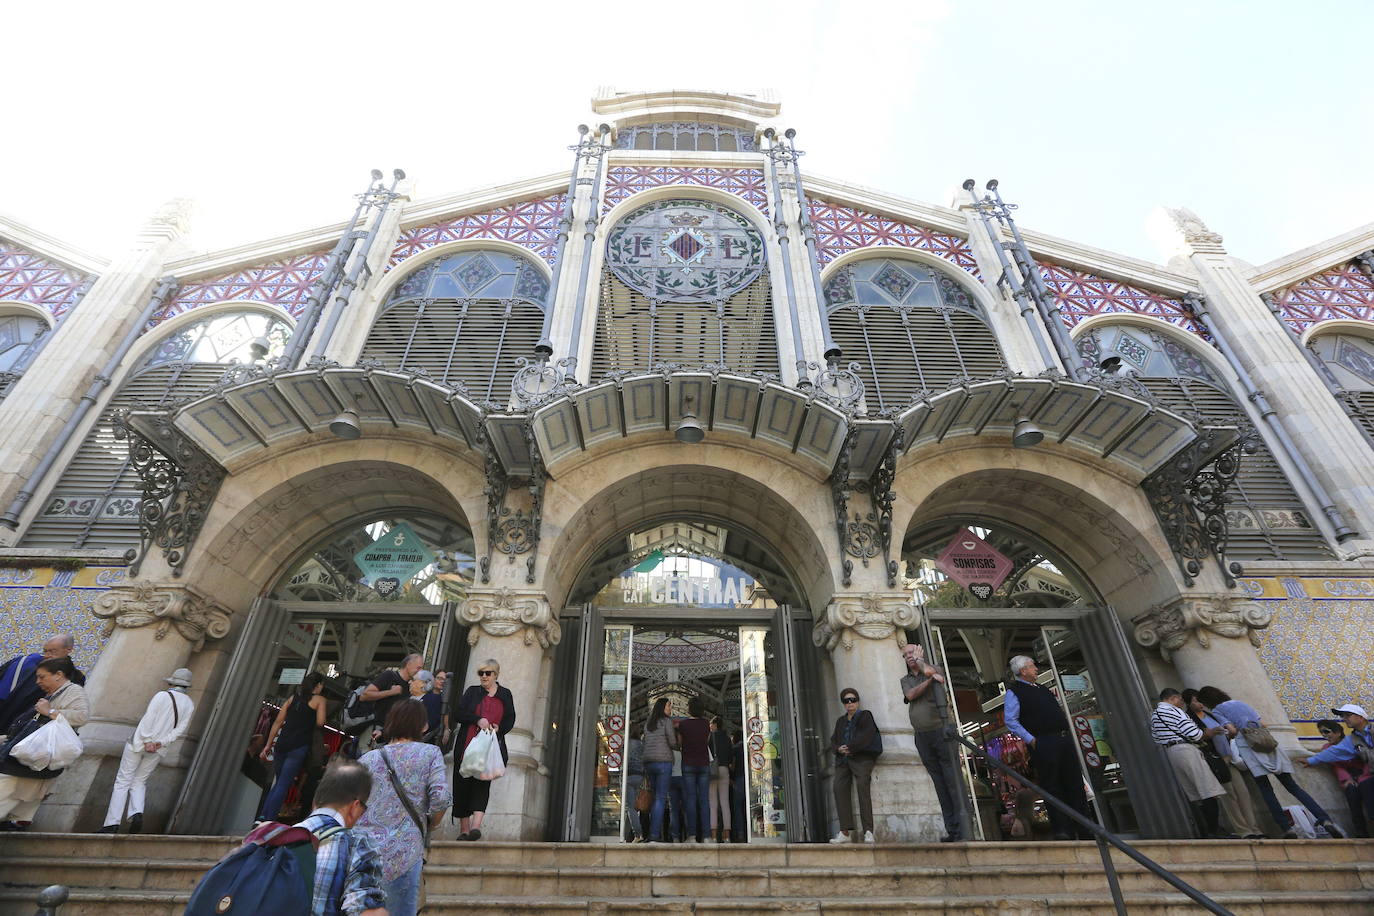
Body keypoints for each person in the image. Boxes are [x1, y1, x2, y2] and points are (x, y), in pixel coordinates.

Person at [1198, 685, 1343, 838]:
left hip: (1250, 746)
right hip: (1268, 743)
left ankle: (1287, 828)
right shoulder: (1241, 704)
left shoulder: (1217, 710)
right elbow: (1262, 724)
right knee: (1292, 786)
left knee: (1266, 789)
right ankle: (1325, 820)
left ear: (1208, 701)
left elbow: (1232, 730)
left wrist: (1225, 734)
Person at [356, 699, 450, 916]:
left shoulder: (368, 759)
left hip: (365, 851)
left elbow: (354, 803)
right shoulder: (430, 753)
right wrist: (432, 823)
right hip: (405, 852)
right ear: (423, 725)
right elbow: (441, 797)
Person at [98, 667, 195, 834]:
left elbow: (148, 719)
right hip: (159, 749)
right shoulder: (189, 704)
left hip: (139, 743)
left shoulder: (162, 695)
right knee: (140, 781)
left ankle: (112, 823)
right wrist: (160, 743)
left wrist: (148, 740)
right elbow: (180, 730)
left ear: (172, 682)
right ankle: (136, 813)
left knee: (123, 781)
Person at [1004, 655, 1091, 840]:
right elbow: (1011, 720)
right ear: (1023, 671)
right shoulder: (1015, 692)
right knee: (1053, 786)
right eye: (1031, 666)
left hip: (1063, 740)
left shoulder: (1043, 689)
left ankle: (1084, 827)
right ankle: (1062, 829)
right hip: (1044, 742)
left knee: (1074, 783)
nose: (1036, 668)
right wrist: (1031, 740)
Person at [0, 657, 90, 830]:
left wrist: (51, 711)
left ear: (58, 675)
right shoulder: (54, 693)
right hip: (25, 759)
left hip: (31, 762)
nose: (37, 682)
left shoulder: (73, 691)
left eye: (42, 677)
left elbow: (81, 716)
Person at [294, 760, 388, 916]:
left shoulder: (270, 836)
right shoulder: (356, 844)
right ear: (355, 807)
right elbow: (366, 912)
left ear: (314, 802)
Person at [900, 642, 963, 842]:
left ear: (920, 653)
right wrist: (928, 682)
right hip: (922, 735)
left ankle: (964, 828)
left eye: (912, 652)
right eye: (906, 655)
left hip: (942, 731)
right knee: (939, 784)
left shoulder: (934, 668)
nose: (909, 656)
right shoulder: (906, 679)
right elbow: (910, 695)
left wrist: (922, 663)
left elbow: (931, 672)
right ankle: (952, 829)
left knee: (953, 781)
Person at [1183, 688, 1266, 838]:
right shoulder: (1189, 719)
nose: (1200, 703)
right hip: (1216, 760)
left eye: (1201, 700)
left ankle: (1254, 829)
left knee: (1243, 793)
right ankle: (1244, 831)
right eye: (1196, 701)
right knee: (1229, 796)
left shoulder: (1210, 714)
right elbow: (1196, 738)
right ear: (1188, 703)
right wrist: (1210, 733)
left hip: (1230, 757)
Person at [1151, 688, 1229, 838]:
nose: (1182, 703)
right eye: (1180, 700)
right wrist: (1209, 732)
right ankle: (1214, 830)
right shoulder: (1176, 711)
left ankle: (1204, 830)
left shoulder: (1155, 715)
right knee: (1208, 791)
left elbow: (1156, 737)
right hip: (1186, 750)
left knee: (1194, 795)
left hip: (1171, 753)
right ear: (1173, 698)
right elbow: (1195, 734)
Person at [451, 658, 514, 841]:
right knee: (462, 784)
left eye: (488, 673)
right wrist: (477, 719)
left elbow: (510, 718)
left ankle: (475, 827)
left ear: (496, 675)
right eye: (481, 673)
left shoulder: (505, 694)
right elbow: (459, 713)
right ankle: (464, 829)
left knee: (482, 782)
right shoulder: (472, 692)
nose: (484, 677)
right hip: (467, 745)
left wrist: (498, 728)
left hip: (489, 746)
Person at [258, 672, 327, 823]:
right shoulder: (319, 700)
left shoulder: (292, 699)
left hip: (281, 744)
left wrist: (268, 745)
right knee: (284, 783)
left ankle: (263, 816)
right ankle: (269, 820)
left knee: (278, 782)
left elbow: (277, 722)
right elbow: (321, 722)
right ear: (319, 685)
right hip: (299, 746)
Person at [1300, 702, 1374, 836]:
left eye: (1348, 715)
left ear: (1361, 717)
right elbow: (1333, 753)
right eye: (1344, 716)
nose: (1345, 719)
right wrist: (1311, 760)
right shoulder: (1352, 740)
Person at [0, 634, 84, 739]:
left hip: (34, 732)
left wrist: (50, 711)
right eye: (45, 651)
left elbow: (79, 715)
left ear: (68, 650)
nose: (47, 655)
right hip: (9, 715)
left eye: (52, 651)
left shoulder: (75, 678)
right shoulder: (30, 664)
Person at [829, 688, 879, 844]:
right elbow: (833, 740)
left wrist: (850, 747)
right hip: (843, 761)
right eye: (846, 701)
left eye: (852, 700)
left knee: (863, 790)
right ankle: (845, 832)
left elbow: (867, 735)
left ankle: (869, 831)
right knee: (838, 788)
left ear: (857, 701)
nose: (850, 703)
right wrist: (838, 748)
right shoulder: (841, 721)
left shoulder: (865, 716)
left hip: (861, 759)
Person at [360, 653, 423, 746]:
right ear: (409, 664)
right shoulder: (389, 676)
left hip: (390, 734)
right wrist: (391, 692)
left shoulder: (409, 687)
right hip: (374, 729)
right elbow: (365, 695)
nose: (419, 671)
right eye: (418, 668)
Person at [641, 696, 677, 842]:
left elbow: (645, 742)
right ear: (662, 707)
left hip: (649, 763)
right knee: (661, 799)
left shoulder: (648, 722)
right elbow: (672, 741)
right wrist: (678, 746)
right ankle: (654, 835)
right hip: (663, 763)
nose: (670, 709)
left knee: (655, 798)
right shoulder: (667, 721)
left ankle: (651, 833)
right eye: (669, 706)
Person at [677, 696, 712, 843]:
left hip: (688, 764)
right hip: (704, 764)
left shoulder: (683, 725)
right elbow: (707, 741)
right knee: (704, 800)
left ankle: (692, 835)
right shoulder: (706, 724)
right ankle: (707, 836)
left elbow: (679, 744)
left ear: (689, 709)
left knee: (690, 800)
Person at [707, 716, 732, 844]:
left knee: (713, 804)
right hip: (725, 770)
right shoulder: (728, 739)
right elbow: (730, 757)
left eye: (711, 724)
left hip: (713, 770)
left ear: (716, 725)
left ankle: (714, 836)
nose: (710, 727)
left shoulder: (710, 737)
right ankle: (727, 836)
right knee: (725, 802)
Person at [626, 724, 646, 842]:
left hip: (628, 776)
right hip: (639, 777)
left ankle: (638, 835)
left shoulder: (626, 744)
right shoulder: (641, 745)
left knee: (631, 807)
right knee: (637, 806)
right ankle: (636, 833)